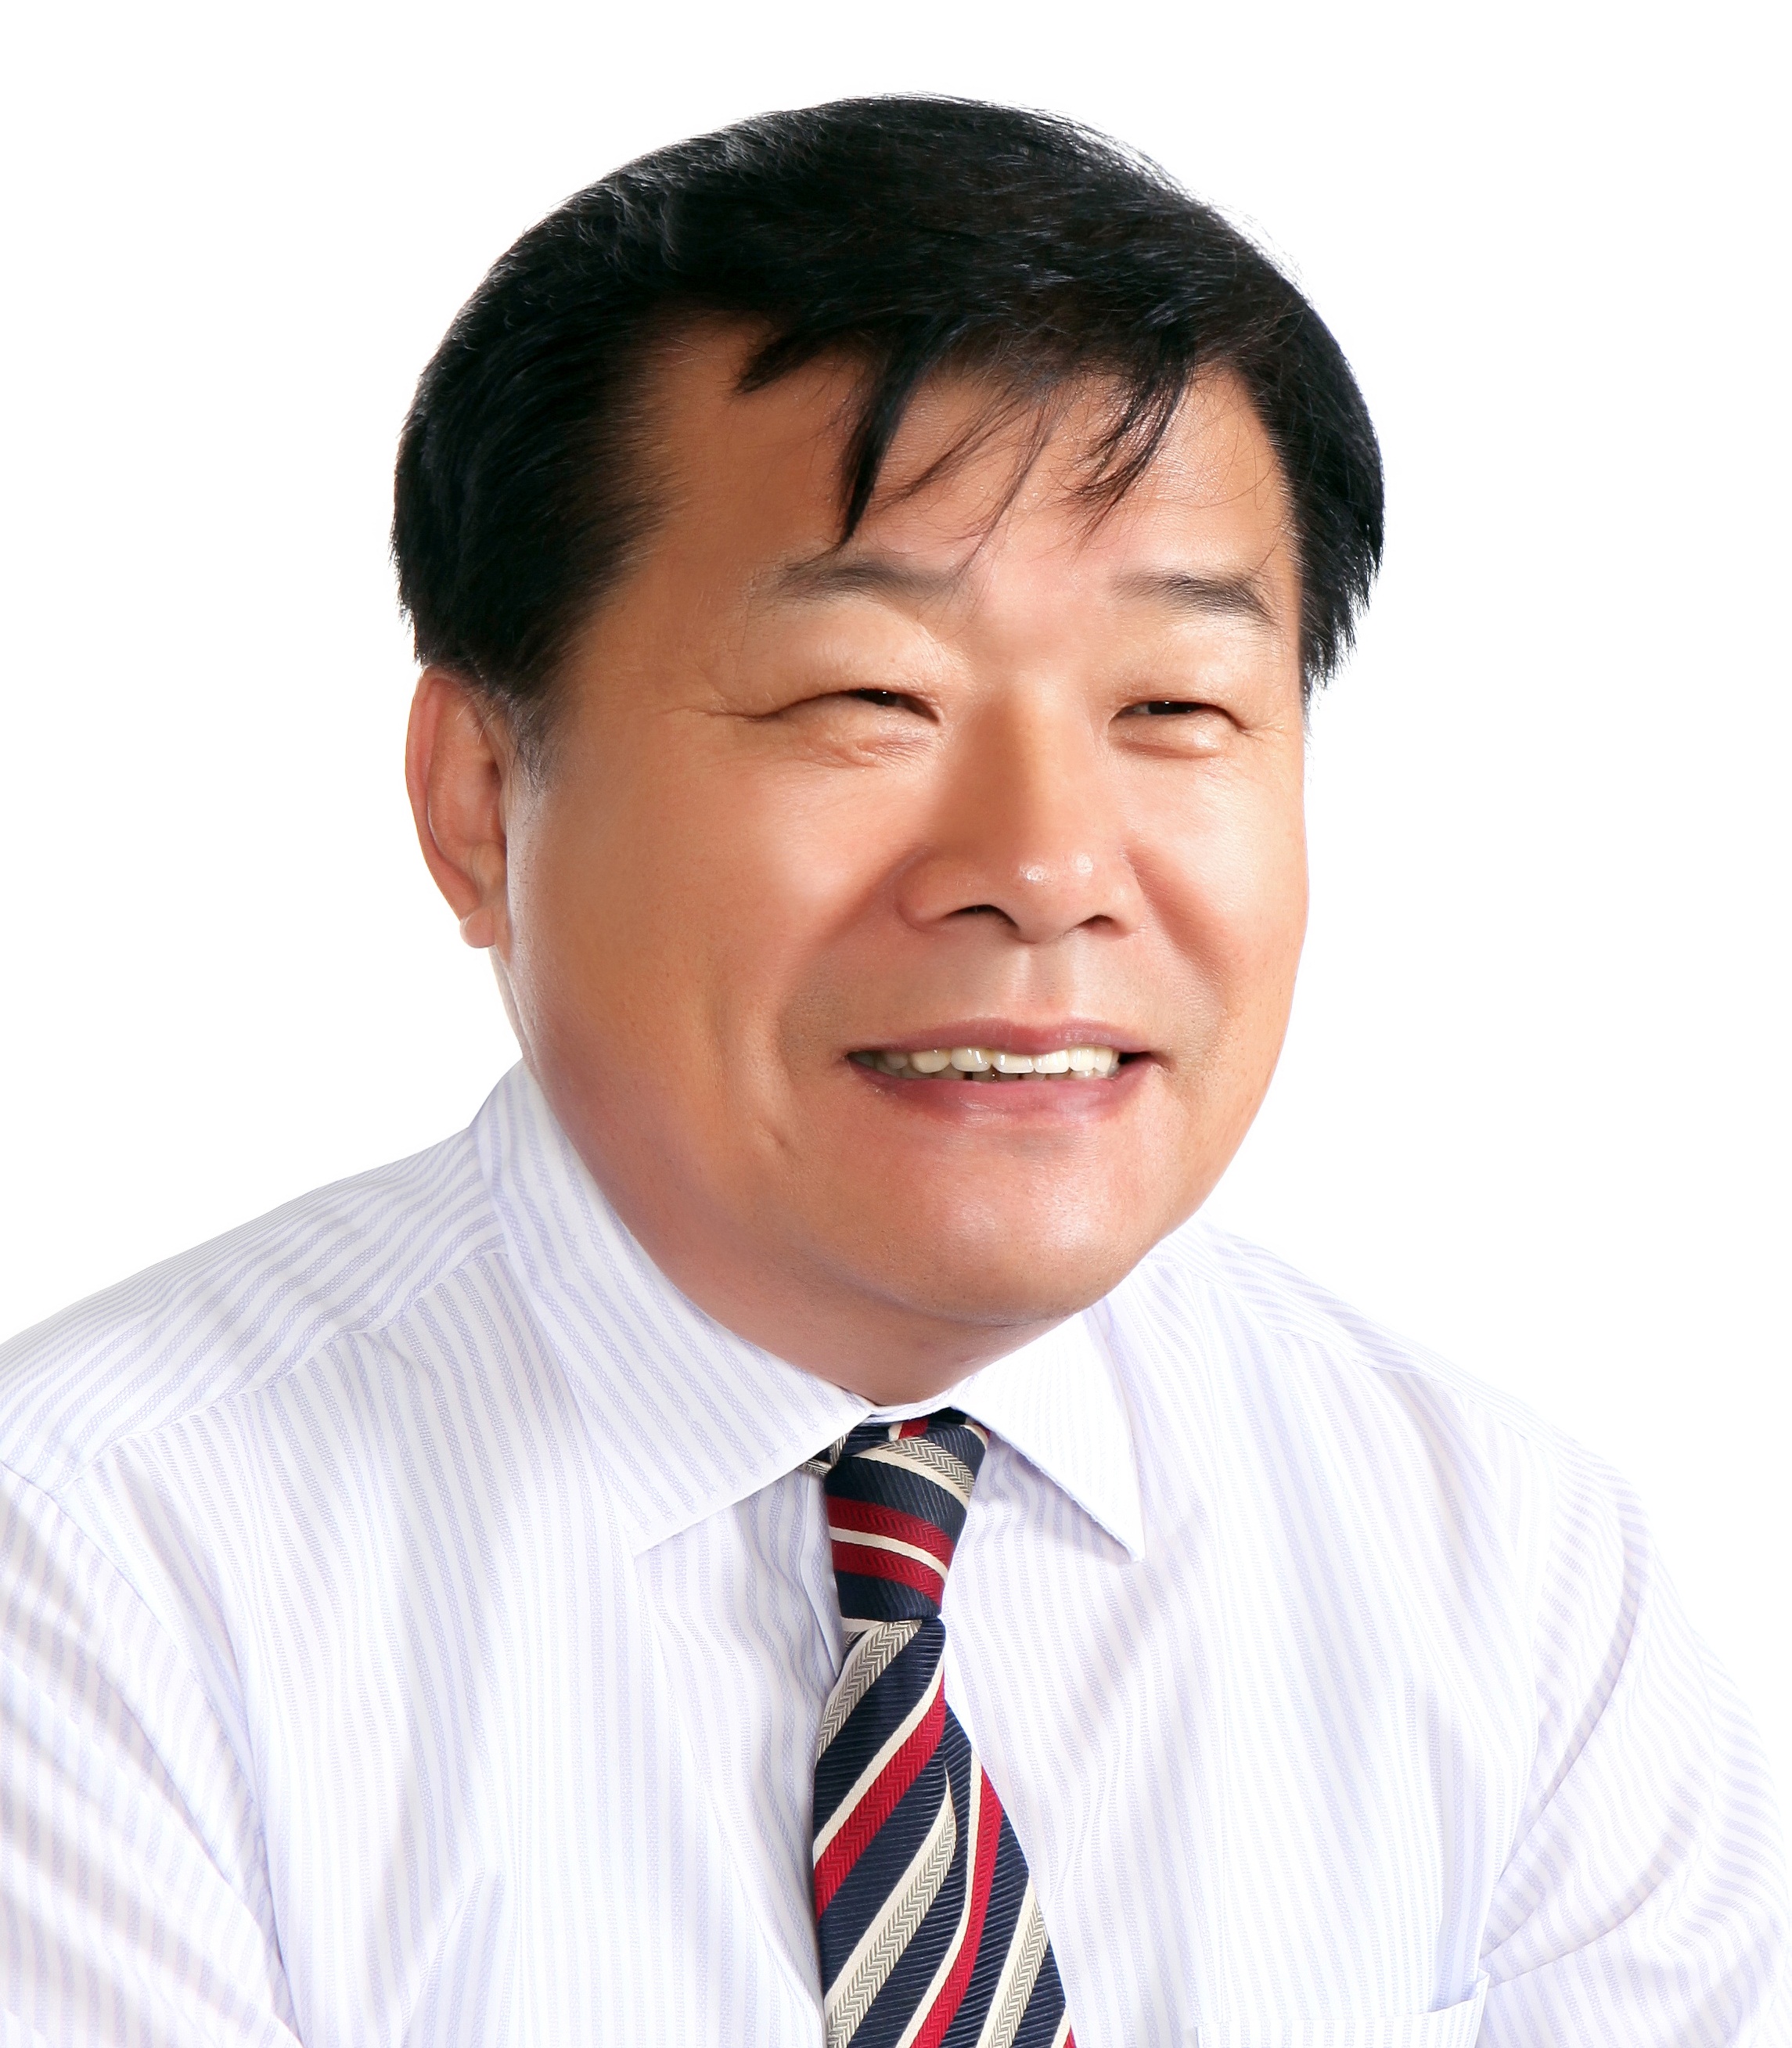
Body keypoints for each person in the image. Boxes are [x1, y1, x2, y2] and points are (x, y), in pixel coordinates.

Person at [0, 95, 1782, 2048]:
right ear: (479, 801)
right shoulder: (91, 1567)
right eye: (867, 697)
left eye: (1174, 704)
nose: (1045, 866)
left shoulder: (1509, 1577)